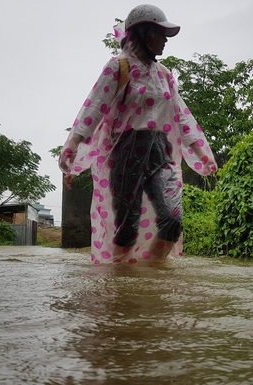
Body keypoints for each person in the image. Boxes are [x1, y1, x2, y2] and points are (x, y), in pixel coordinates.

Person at [58, 4, 217, 265]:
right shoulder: (119, 67)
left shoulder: (164, 75)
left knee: (172, 218)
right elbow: (94, 108)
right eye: (160, 34)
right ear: (143, 33)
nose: (166, 40)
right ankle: (121, 281)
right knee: (127, 227)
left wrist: (202, 153)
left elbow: (182, 115)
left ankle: (153, 271)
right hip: (126, 152)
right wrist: (73, 146)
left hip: (160, 150)